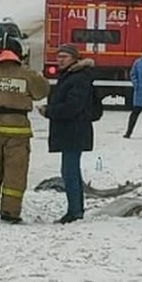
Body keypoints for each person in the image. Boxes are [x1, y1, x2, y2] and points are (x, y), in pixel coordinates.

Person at [0, 34, 50, 224]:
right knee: (15, 174)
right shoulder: (26, 73)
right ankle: (10, 212)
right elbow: (42, 91)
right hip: (17, 131)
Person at [42, 44, 95, 224]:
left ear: (74, 58)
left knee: (69, 171)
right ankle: (76, 208)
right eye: (59, 57)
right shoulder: (69, 76)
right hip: (71, 131)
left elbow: (73, 106)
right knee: (70, 171)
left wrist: (49, 111)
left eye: (64, 56)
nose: (60, 60)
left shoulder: (78, 78)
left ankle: (74, 211)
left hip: (74, 130)